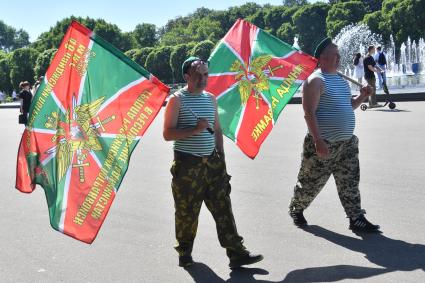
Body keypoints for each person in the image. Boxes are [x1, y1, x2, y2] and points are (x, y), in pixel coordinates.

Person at [163, 56, 263, 268]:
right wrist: (194, 130)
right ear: (186, 76)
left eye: (206, 74)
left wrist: (221, 158)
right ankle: (185, 252)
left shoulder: (210, 99)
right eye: (198, 75)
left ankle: (236, 253)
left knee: (223, 207)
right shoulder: (177, 100)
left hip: (213, 163)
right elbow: (167, 134)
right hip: (188, 166)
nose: (203, 78)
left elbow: (217, 130)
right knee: (187, 211)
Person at [288, 38, 381, 233]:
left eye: (339, 55)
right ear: (322, 57)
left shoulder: (340, 80)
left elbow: (350, 106)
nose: (339, 58)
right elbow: (309, 113)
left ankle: (356, 217)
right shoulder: (315, 81)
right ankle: (297, 208)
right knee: (311, 182)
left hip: (347, 143)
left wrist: (362, 96)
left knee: (350, 181)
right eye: (335, 55)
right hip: (324, 143)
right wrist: (318, 141)